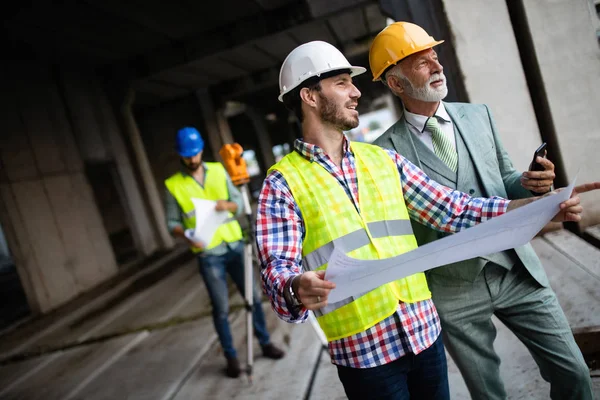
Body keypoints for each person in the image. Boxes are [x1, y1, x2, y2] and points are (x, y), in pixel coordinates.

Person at [254, 41, 593, 400]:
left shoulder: (382, 161)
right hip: (364, 351)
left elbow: (455, 209)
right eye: (341, 83)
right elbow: (277, 270)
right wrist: (296, 288)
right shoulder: (282, 184)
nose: (356, 91)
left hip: (422, 334)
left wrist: (538, 207)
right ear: (309, 96)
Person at [369, 22, 594, 399]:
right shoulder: (381, 153)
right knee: (487, 394)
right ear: (395, 83)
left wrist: (531, 184)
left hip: (516, 271)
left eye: (434, 56)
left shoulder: (479, 116)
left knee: (574, 373)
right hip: (454, 290)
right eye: (421, 63)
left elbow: (503, 179)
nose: (436, 66)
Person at [164, 127, 284, 378]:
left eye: (195, 154)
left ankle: (265, 343)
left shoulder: (218, 171)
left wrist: (227, 204)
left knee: (252, 298)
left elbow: (239, 204)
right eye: (187, 155)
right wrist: (183, 234)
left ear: (200, 152)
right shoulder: (173, 185)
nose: (192, 159)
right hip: (207, 252)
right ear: (181, 155)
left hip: (234, 245)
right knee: (220, 309)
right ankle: (231, 357)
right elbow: (172, 223)